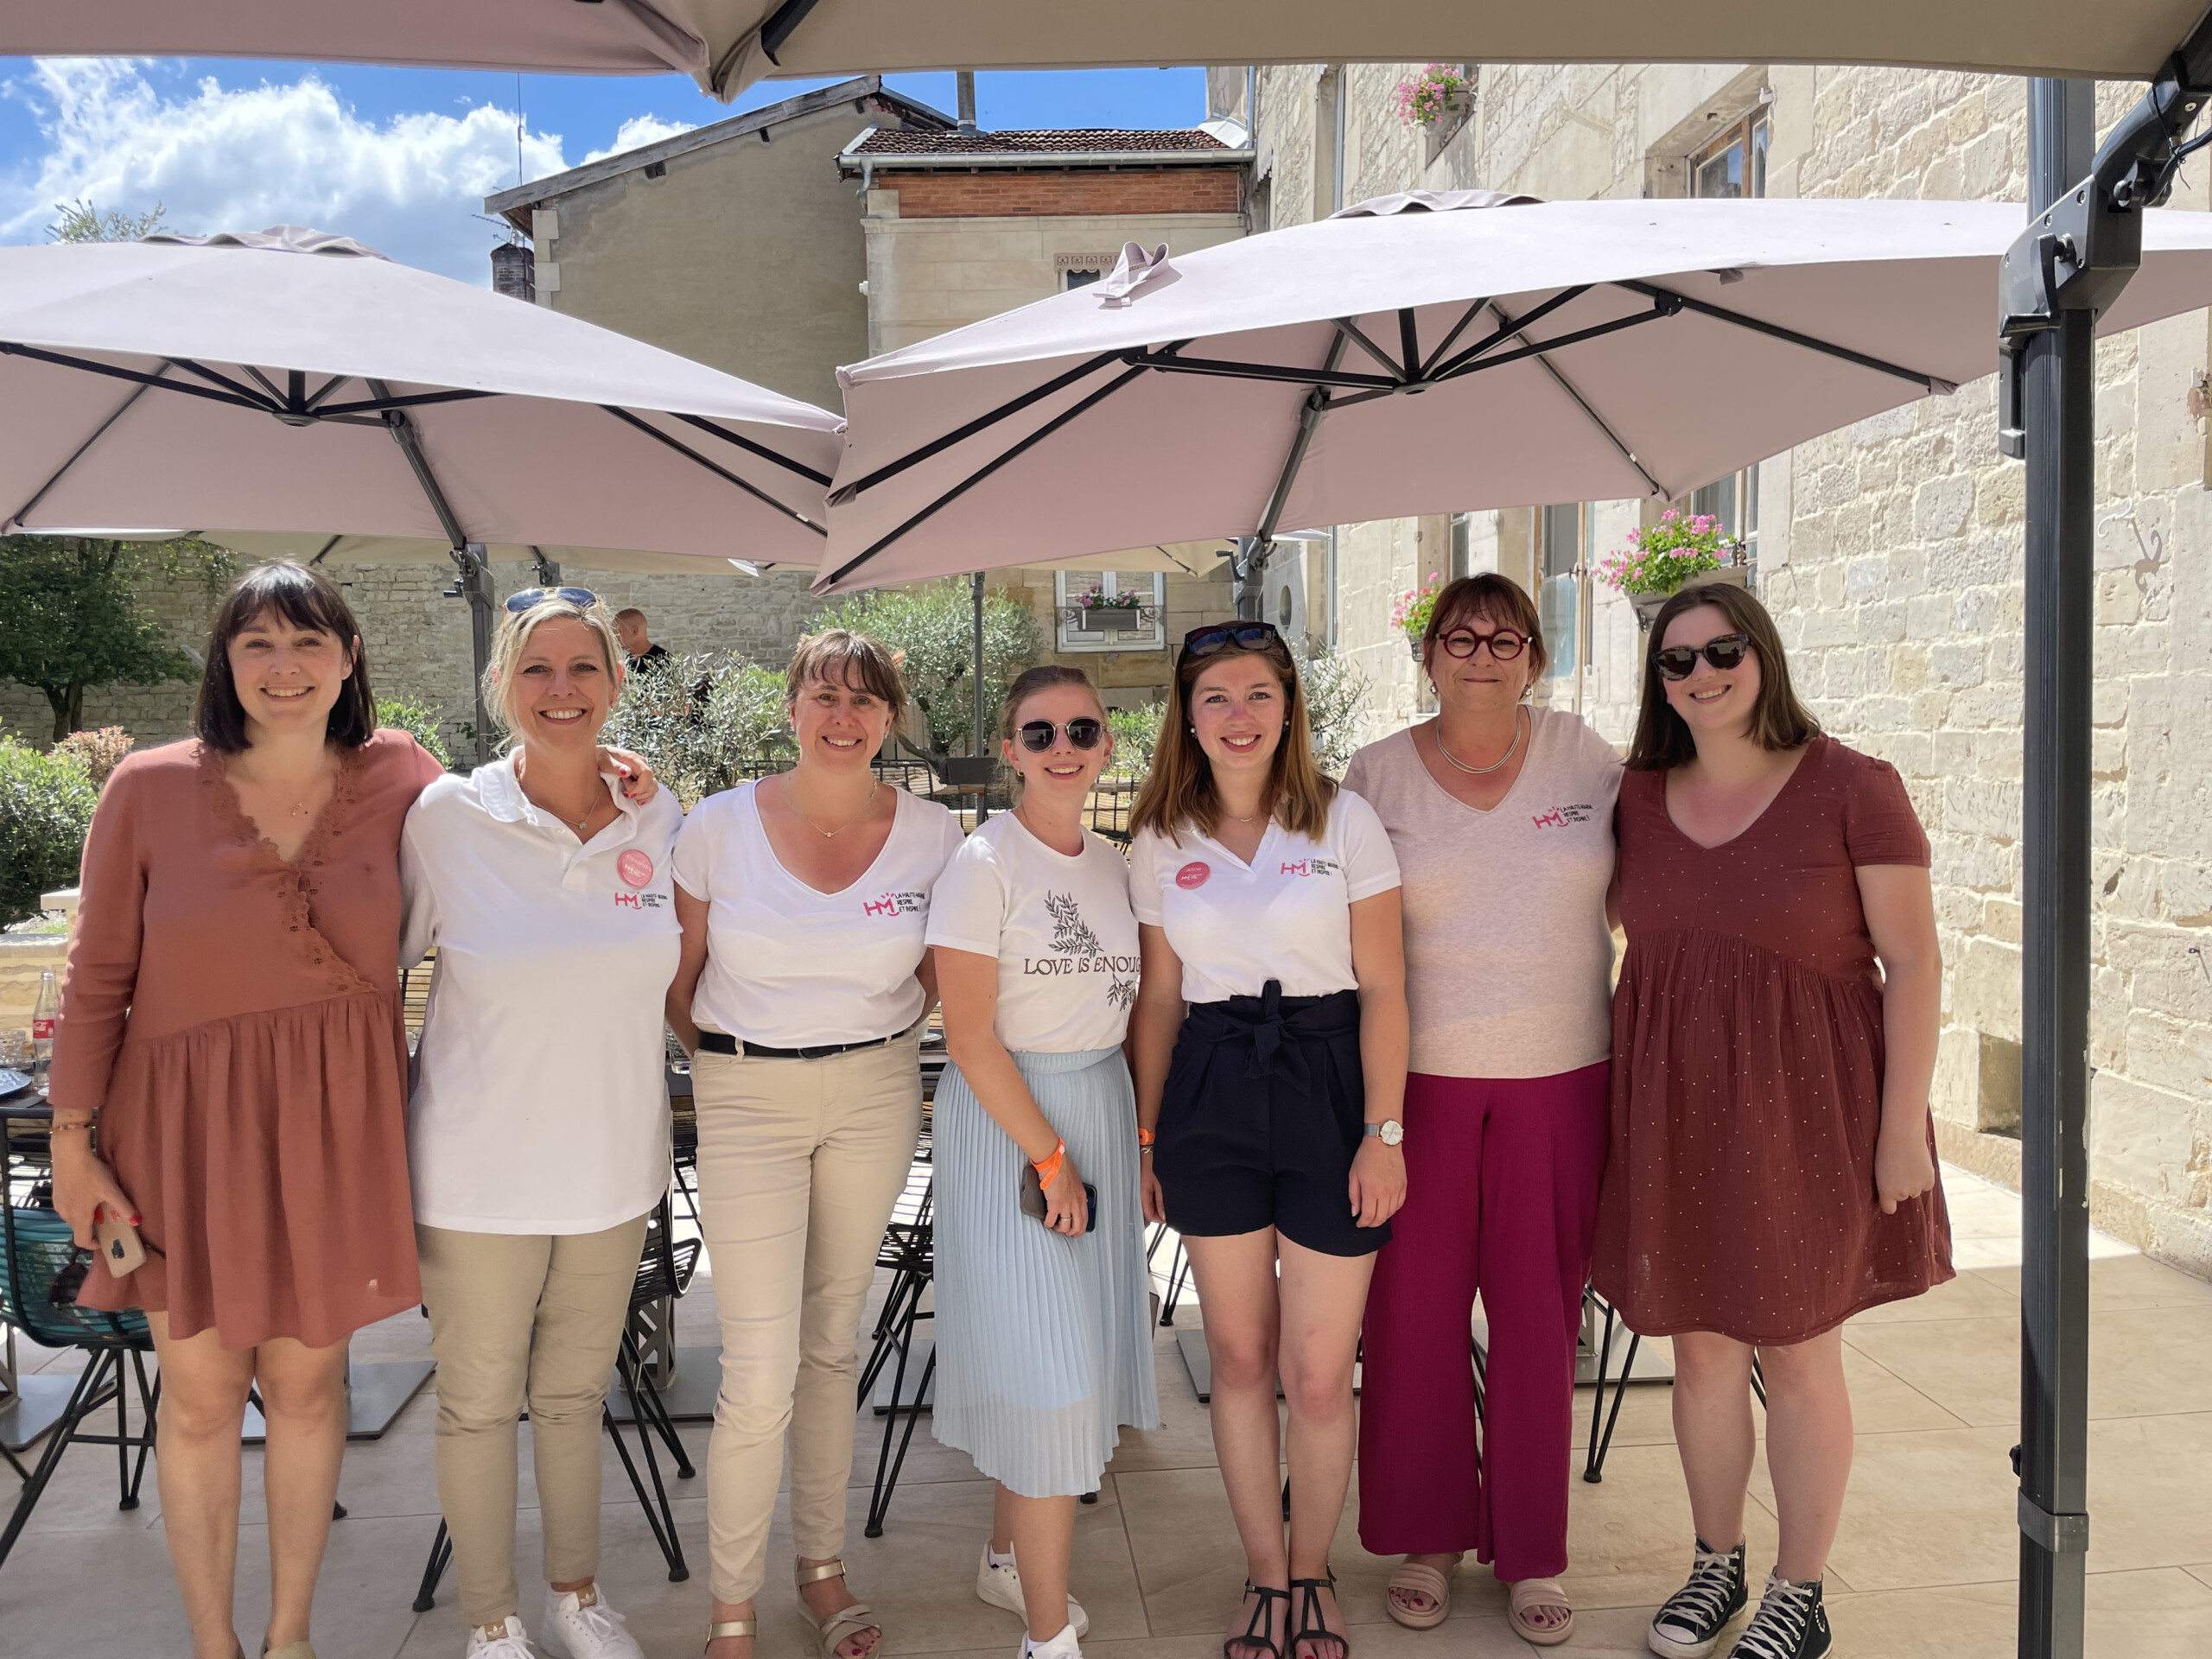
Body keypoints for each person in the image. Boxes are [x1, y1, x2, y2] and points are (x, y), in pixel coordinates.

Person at [44, 563, 447, 1659]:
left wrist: (618, 783)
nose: (284, 666)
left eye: (309, 641)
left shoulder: (405, 773)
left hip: (337, 1128)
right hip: (180, 1132)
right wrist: (73, 1144)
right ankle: (214, 1644)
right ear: (224, 661)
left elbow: (514, 835)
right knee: (199, 1398)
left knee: (309, 1390)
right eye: (257, 642)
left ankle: (290, 1639)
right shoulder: (147, 788)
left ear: (349, 659)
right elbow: (94, 980)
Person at [1598, 584, 1948, 1659]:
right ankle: (1716, 1564)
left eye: (1722, 651)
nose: (1701, 674)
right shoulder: (1634, 797)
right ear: (1658, 683)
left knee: (1796, 1354)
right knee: (1701, 1354)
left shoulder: (1854, 786)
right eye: (1676, 661)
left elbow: (1914, 963)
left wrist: (1901, 1130)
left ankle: (1801, 1591)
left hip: (1809, 1113)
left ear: (1763, 655)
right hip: (1673, 1111)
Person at [665, 629, 965, 1659]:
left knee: (833, 1344)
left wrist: (877, 1036)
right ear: (791, 707)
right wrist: (732, 1064)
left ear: (890, 718)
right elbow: (677, 978)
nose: (844, 717)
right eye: (825, 697)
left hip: (875, 1091)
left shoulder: (935, 834)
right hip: (745, 1094)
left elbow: (938, 974)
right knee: (759, 1367)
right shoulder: (716, 827)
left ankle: (821, 1570)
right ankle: (732, 1608)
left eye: (865, 700)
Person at [399, 589, 683, 1659]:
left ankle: (576, 1599)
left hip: (612, 1168)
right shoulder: (446, 819)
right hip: (476, 1177)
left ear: (616, 681)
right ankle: (493, 1622)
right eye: (536, 670)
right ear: (500, 686)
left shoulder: (662, 817)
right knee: (477, 1405)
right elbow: (369, 966)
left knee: (572, 1397)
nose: (561, 690)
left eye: (582, 669)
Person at [1342, 575, 1619, 1649]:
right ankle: (1426, 1539)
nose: (1482, 656)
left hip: (1563, 1079)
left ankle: (1533, 1549)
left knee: (1539, 1322)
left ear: (1535, 658)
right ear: (1428, 657)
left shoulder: (1585, 758)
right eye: (1460, 638)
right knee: (1411, 1319)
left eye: (1506, 640)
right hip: (1418, 1086)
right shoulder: (1375, 776)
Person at [1126, 620, 1409, 1659]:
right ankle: (1263, 1572)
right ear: (1187, 716)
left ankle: (1312, 1566)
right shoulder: (1159, 839)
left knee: (1320, 1372)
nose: (1236, 716)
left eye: (1256, 695)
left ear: (1288, 708)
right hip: (1210, 1088)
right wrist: (1147, 1136)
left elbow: (1385, 986)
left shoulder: (1344, 820)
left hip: (1329, 1084)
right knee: (1240, 1358)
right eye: (1214, 698)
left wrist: (1383, 1132)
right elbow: (1160, 999)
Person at [926, 666, 1161, 1659]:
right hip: (1012, 1124)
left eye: (1081, 729)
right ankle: (1046, 1637)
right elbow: (968, 1036)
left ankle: (1003, 1558)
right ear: (1009, 749)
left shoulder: (1115, 865)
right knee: (1051, 1374)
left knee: (1061, 1361)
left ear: (1107, 743)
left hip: (1097, 1105)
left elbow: (1136, 1011)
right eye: (1039, 732)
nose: (1063, 747)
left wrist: (1135, 1143)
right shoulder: (983, 864)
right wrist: (1051, 1156)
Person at [613, 607, 671, 674]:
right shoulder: (626, 663)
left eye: (618, 631)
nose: (615, 636)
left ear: (634, 631)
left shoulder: (664, 662)